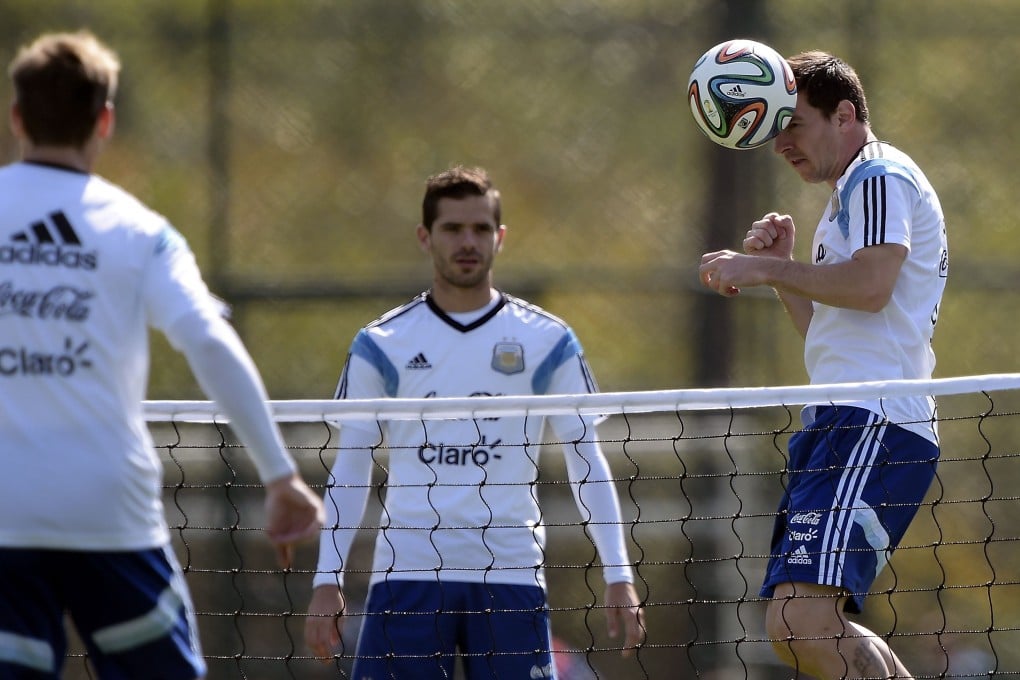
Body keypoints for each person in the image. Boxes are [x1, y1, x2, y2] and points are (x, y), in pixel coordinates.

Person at [0, 31, 325, 680]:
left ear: (16, 118)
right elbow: (207, 339)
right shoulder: (140, 231)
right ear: (105, 121)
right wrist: (279, 473)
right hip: (109, 515)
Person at [305, 165, 645, 678]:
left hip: (510, 572)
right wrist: (325, 579)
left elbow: (585, 458)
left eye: (481, 229)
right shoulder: (381, 344)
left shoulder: (548, 341)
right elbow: (351, 466)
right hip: (407, 572)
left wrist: (618, 572)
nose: (468, 241)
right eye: (453, 229)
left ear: (500, 238)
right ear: (425, 237)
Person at [699, 51, 947, 679]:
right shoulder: (849, 195)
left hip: (875, 425)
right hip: (839, 421)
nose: (779, 142)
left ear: (844, 114)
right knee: (791, 629)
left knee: (801, 624)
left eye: (793, 123)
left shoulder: (879, 176)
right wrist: (787, 277)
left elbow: (870, 288)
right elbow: (834, 334)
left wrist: (763, 267)